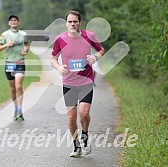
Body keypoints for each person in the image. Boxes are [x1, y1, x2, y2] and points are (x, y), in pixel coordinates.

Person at [50, 11, 105, 157]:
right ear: (66, 23)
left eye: (75, 21)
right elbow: (53, 58)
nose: (72, 24)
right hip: (68, 83)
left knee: (84, 113)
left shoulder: (89, 36)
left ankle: (85, 138)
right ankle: (76, 146)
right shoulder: (60, 39)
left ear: (80, 22)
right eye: (70, 22)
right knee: (71, 117)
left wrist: (95, 57)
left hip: (86, 80)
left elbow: (101, 50)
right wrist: (59, 68)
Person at [0, 15, 29, 121]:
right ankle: (15, 108)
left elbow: (27, 45)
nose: (13, 22)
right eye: (11, 20)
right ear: (9, 23)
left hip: (20, 62)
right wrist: (6, 45)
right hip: (9, 63)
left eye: (15, 20)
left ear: (18, 22)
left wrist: (26, 50)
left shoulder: (23, 34)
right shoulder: (5, 35)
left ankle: (19, 110)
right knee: (13, 88)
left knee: (18, 86)